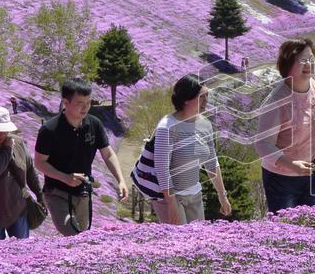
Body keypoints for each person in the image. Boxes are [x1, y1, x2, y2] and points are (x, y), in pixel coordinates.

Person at [257, 39, 315, 214]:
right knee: (285, 230)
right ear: (288, 64)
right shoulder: (277, 101)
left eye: (311, 58)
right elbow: (262, 145)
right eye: (302, 60)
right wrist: (291, 165)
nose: (309, 64)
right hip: (281, 180)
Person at [34, 79, 128, 236]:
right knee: (72, 234)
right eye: (80, 103)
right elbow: (40, 163)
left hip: (83, 191)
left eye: (88, 102)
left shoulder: (94, 124)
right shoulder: (49, 130)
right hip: (56, 191)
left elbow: (108, 153)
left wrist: (121, 180)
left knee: (84, 236)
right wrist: (65, 178)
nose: (85, 108)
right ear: (66, 102)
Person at [137, 75, 231, 224]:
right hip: (170, 197)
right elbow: (162, 169)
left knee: (198, 243)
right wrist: (171, 204)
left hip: (195, 195)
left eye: (207, 95)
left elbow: (212, 162)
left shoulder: (205, 124)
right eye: (201, 96)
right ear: (186, 99)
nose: (206, 100)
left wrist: (222, 195)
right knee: (179, 244)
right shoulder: (167, 127)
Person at [0, 106, 44, 240]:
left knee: (22, 253)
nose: (2, 134)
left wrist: (40, 196)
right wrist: (7, 150)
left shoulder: (19, 143)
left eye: (5, 130)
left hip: (18, 208)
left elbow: (30, 171)